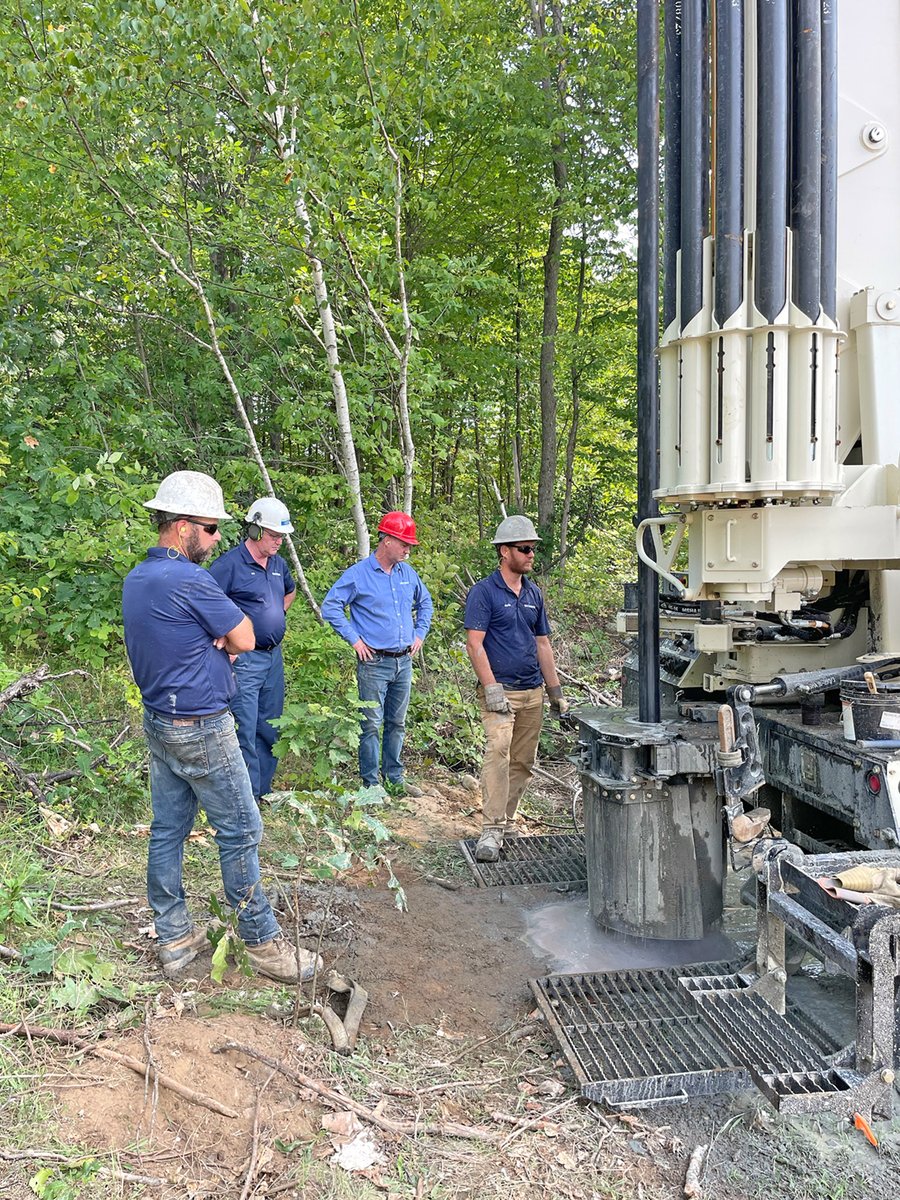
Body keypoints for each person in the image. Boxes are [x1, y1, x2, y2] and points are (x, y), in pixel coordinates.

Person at [122, 471, 321, 983]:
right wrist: (228, 637)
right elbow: (246, 636)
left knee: (168, 830)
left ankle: (174, 935)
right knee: (242, 828)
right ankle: (260, 942)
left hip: (160, 720)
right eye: (210, 530)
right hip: (202, 725)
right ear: (182, 525)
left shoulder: (139, 577)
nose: (215, 541)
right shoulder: (188, 579)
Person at [464, 515, 569, 863]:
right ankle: (491, 829)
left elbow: (543, 644)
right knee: (498, 753)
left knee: (523, 761)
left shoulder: (533, 593)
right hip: (502, 693)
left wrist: (554, 691)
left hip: (532, 692)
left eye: (533, 549)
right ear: (504, 551)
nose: (530, 555)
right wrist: (491, 688)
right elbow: (475, 644)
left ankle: (507, 822)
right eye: (524, 549)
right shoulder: (484, 593)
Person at [321, 512, 433, 797]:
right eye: (404, 543)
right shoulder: (358, 574)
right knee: (370, 723)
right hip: (373, 662)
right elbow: (331, 607)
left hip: (403, 661)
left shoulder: (407, 574)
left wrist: (419, 633)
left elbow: (426, 604)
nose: (408, 549)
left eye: (410, 544)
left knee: (397, 723)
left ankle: (394, 779)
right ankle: (371, 785)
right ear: (386, 541)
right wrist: (354, 640)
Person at [209, 497, 296, 803]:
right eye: (274, 536)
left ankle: (263, 792)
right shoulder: (228, 566)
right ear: (256, 531)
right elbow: (207, 606)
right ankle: (245, 796)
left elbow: (289, 591)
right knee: (245, 727)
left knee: (270, 725)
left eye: (282, 537)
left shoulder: (278, 564)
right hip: (245, 659)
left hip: (274, 657)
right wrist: (230, 640)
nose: (279, 542)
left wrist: (273, 617)